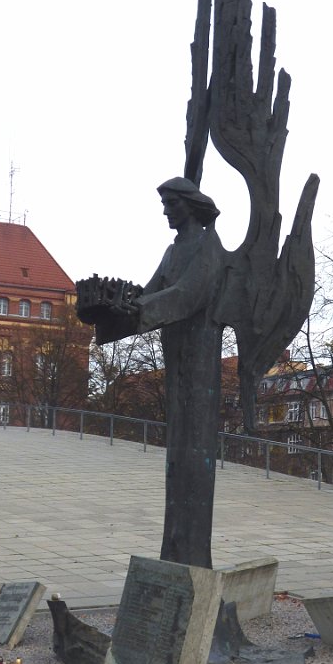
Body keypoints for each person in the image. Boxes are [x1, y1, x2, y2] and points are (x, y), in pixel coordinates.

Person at [132, 177, 226, 568]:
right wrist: (115, 307)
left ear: (189, 205)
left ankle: (191, 555)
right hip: (175, 355)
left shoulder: (210, 247)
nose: (166, 211)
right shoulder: (173, 252)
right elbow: (150, 291)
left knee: (194, 448)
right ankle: (175, 549)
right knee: (177, 451)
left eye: (171, 203)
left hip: (201, 358)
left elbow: (187, 295)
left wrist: (138, 310)